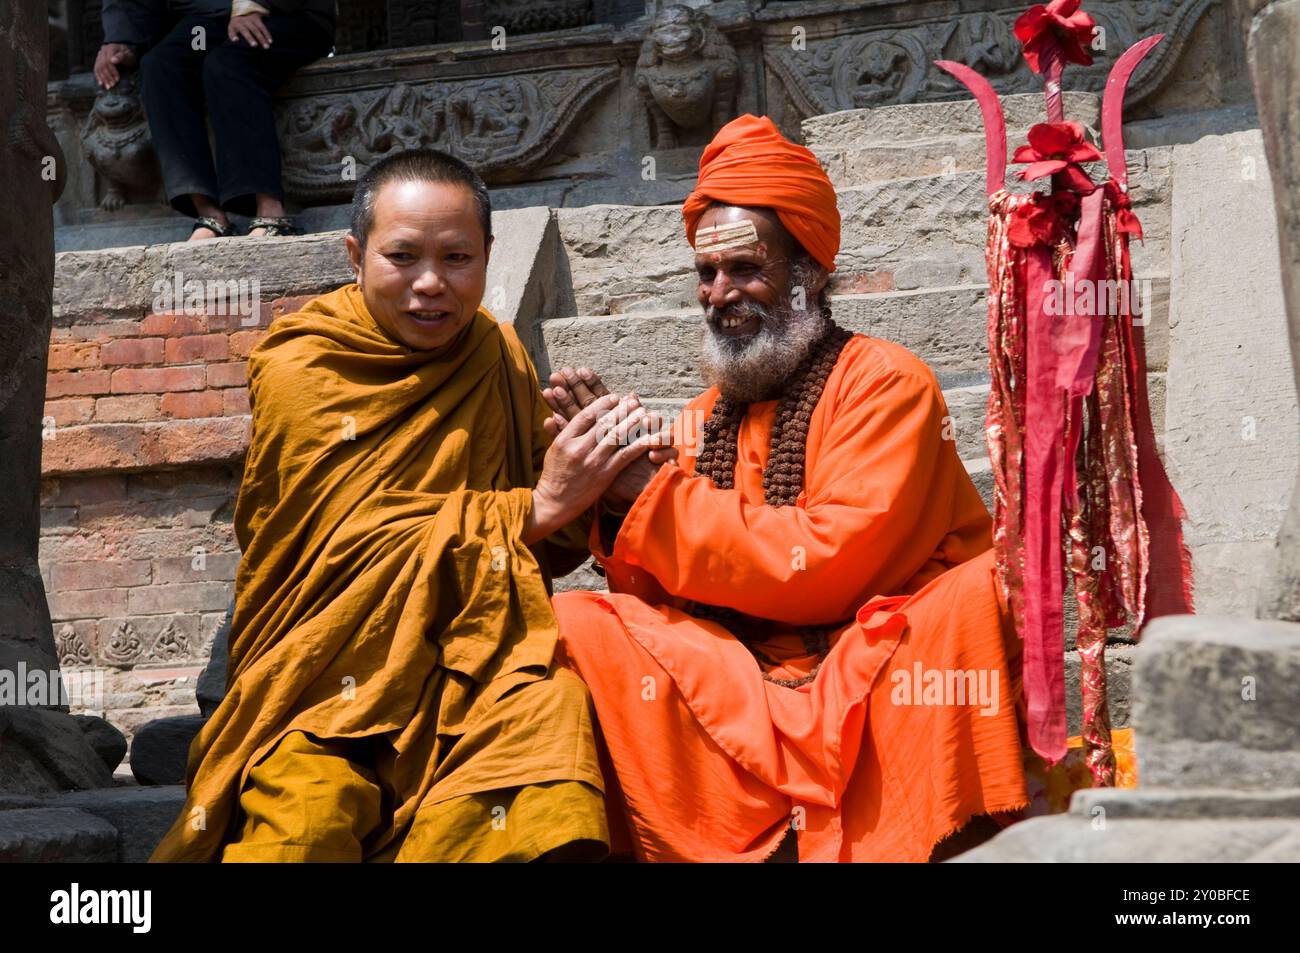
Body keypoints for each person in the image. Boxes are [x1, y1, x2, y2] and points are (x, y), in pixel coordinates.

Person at [150, 148, 672, 862]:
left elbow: (545, 544)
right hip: (324, 681)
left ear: (488, 257)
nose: (432, 284)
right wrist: (538, 505)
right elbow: (353, 546)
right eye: (403, 257)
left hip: (474, 665)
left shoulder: (496, 354)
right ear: (355, 255)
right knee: (304, 823)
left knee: (550, 740)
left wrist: (607, 490)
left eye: (458, 259)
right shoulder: (304, 367)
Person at [544, 115, 1031, 862]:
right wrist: (607, 489)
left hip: (864, 667)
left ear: (809, 273)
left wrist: (650, 493)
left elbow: (828, 562)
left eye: (745, 268)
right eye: (706, 274)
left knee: (972, 600)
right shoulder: (705, 417)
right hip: (739, 678)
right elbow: (654, 597)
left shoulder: (887, 382)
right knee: (578, 619)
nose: (719, 293)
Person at [95, 1, 335, 239]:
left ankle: (271, 212)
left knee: (228, 64)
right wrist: (121, 37)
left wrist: (250, 6)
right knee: (161, 66)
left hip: (286, 13)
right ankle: (210, 215)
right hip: (211, 20)